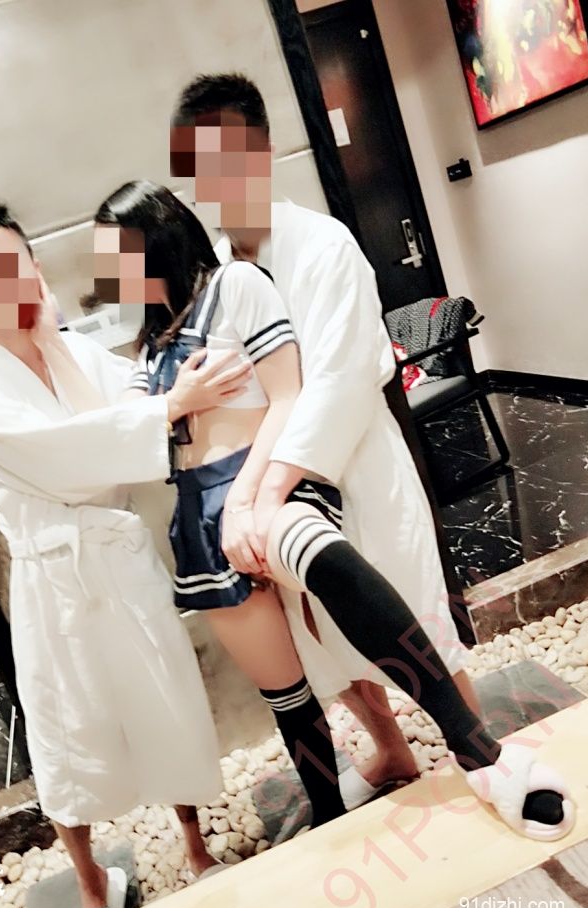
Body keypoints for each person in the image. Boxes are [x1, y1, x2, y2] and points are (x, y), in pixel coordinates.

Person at [92, 181, 574, 843]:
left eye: (115, 253)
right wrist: (177, 401)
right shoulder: (149, 343)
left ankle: (478, 750)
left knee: (347, 574)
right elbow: (138, 434)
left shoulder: (239, 282)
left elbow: (291, 393)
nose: (106, 272)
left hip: (270, 476)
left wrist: (250, 494)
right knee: (295, 683)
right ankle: (331, 811)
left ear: (153, 242)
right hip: (199, 517)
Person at [0, 200, 254, 908]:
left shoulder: (78, 352)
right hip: (53, 577)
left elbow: (135, 420)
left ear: (33, 263)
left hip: (117, 557)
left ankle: (196, 846)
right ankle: (88, 884)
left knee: (165, 701)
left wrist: (58, 344)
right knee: (65, 733)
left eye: (13, 261)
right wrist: (165, 409)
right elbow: (66, 458)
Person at [170, 72, 477, 803]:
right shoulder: (216, 272)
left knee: (410, 608)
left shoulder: (322, 244)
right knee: (321, 636)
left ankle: (479, 745)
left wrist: (267, 493)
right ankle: (392, 749)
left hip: (352, 462)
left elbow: (338, 381)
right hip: (270, 482)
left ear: (262, 150)